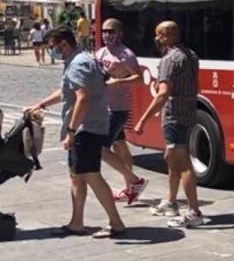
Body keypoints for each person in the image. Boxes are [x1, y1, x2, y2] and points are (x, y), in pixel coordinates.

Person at [25, 27, 126, 238]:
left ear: (63, 44)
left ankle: (116, 223)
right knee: (76, 176)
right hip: (88, 126)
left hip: (85, 128)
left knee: (91, 175)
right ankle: (76, 222)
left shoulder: (79, 64)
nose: (51, 51)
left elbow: (83, 98)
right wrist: (42, 104)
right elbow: (66, 90)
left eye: (52, 47)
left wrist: (71, 131)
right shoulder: (79, 60)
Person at [134, 21, 204, 227]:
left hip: (174, 117)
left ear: (165, 36)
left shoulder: (169, 60)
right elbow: (195, 86)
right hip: (189, 113)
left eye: (158, 35)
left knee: (182, 163)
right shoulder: (190, 55)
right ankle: (171, 201)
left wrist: (142, 120)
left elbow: (162, 94)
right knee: (171, 157)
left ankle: (194, 211)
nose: (156, 39)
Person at [94, 18, 148, 204]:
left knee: (101, 148)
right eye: (104, 30)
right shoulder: (100, 52)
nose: (107, 34)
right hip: (104, 107)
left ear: (120, 33)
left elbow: (139, 79)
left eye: (111, 31)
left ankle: (135, 181)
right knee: (120, 145)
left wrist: (119, 82)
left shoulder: (126, 54)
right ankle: (129, 187)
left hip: (117, 109)